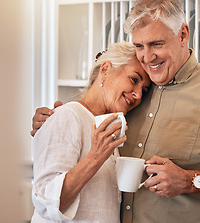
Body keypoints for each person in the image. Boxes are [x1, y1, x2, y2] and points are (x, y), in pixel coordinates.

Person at [32, 0, 200, 223]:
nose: (147, 58)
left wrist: (190, 181)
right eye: (139, 46)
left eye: (156, 44)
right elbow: (83, 126)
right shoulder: (134, 97)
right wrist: (53, 122)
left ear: (182, 35)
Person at [31, 42, 151, 222]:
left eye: (144, 90)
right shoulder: (68, 115)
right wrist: (95, 156)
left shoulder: (109, 126)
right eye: (134, 80)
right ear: (106, 69)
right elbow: (45, 202)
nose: (138, 95)